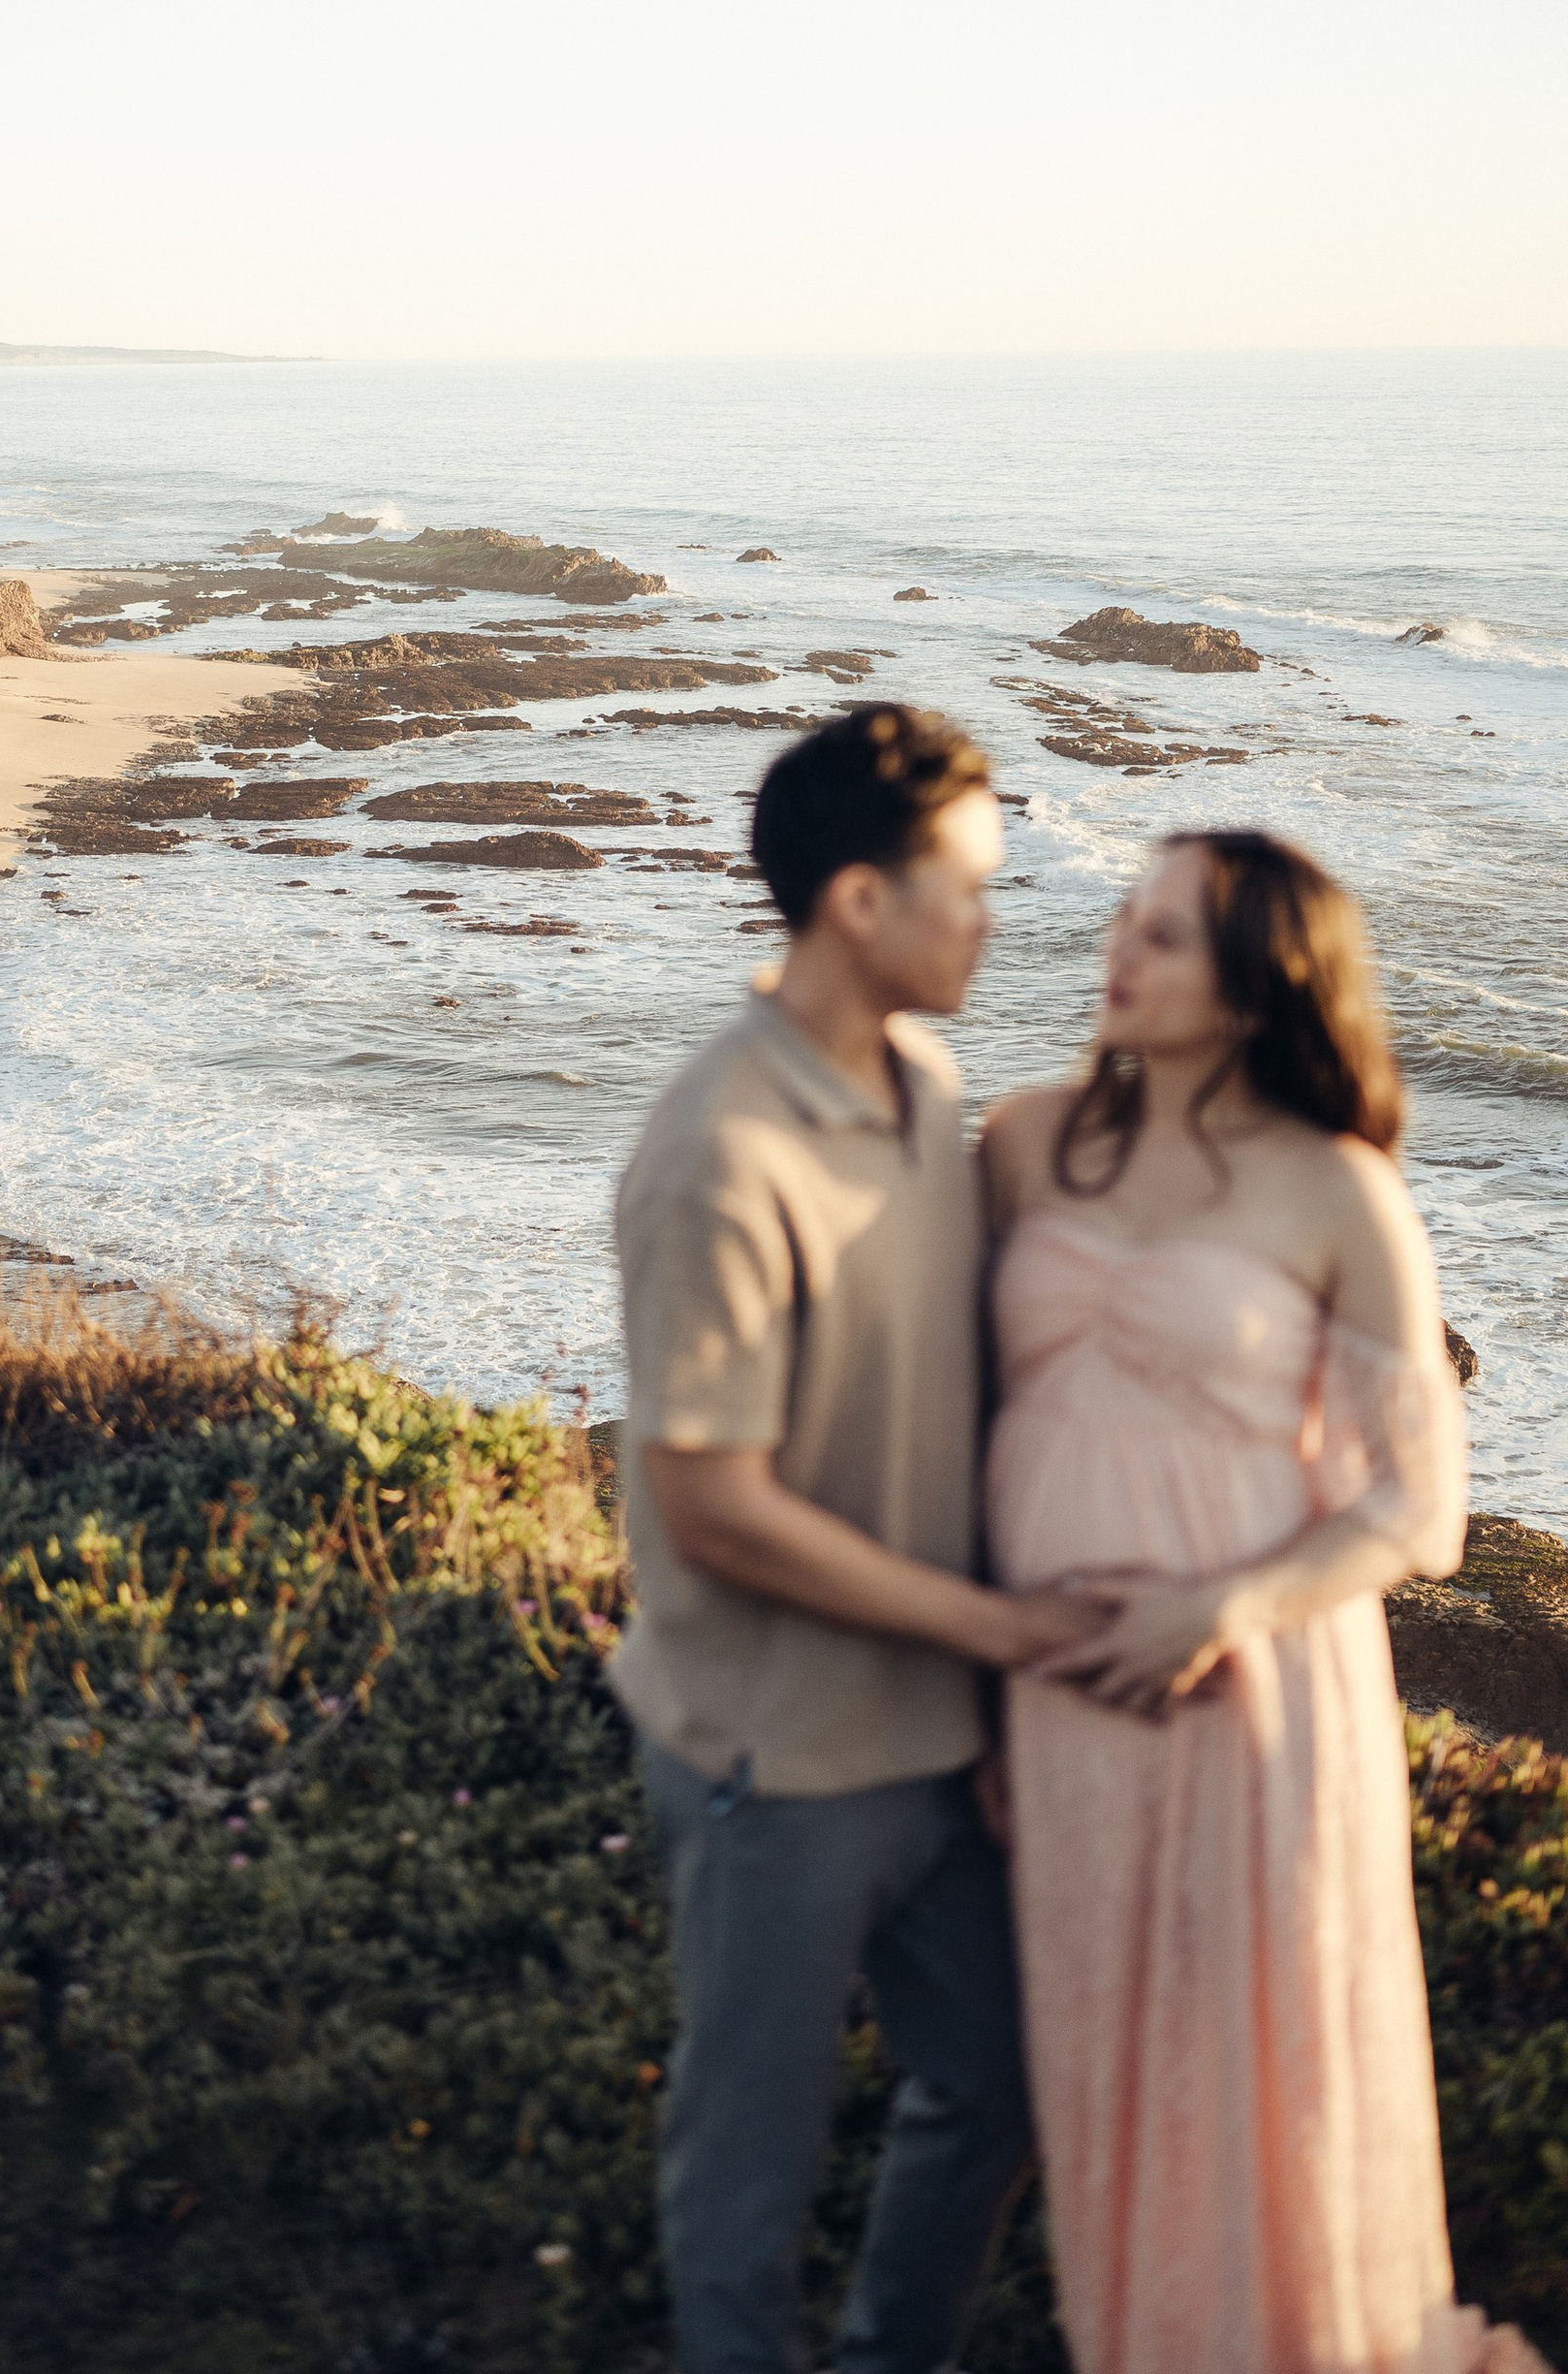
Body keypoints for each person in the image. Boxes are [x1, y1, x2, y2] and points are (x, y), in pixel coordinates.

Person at [985, 828, 1550, 2374]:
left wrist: (1221, 1607)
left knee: (1258, 2074)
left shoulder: (1339, 1192)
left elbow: (1418, 1511)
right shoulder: (1027, 1142)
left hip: (1258, 1692)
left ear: (1255, 988)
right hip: (1057, 1690)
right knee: (1106, 2068)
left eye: (1163, 933)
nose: (1119, 947)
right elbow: (950, 1401)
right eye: (1125, 915)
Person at [611, 702, 1107, 2374]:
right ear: (856, 903)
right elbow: (712, 1504)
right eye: (965, 884)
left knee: (999, 2078)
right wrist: (998, 1633)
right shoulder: (721, 1154)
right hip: (775, 1754)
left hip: (927, 1732)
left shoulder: (924, 1082)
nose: (990, 916)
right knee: (747, 2172)